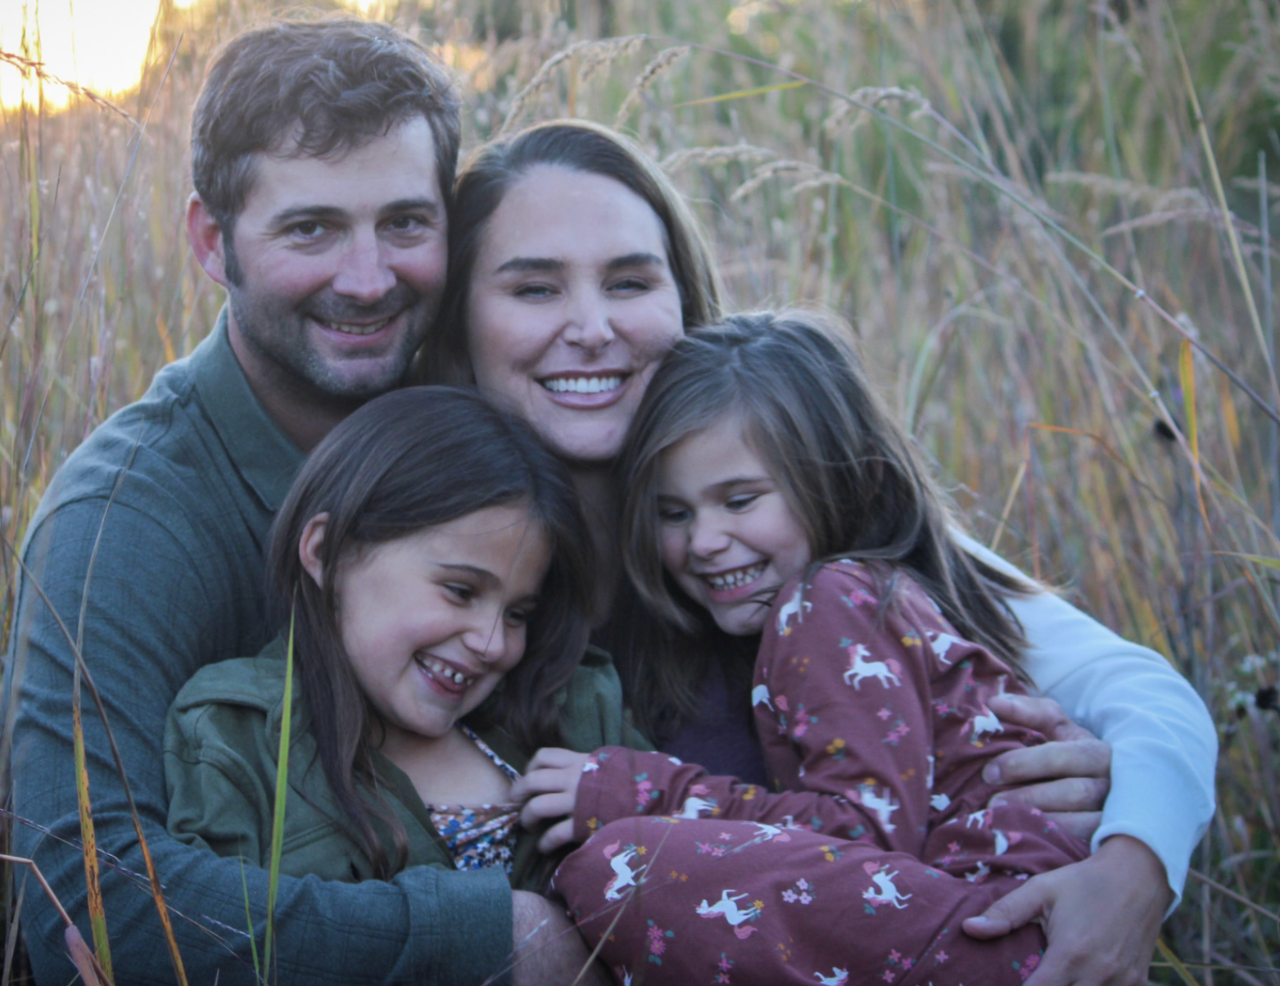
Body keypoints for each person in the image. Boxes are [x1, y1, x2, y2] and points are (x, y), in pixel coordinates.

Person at [432, 119, 1216, 985]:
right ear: (458, 323)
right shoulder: (419, 542)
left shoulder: (825, 536)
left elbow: (1140, 693)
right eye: (534, 289)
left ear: (684, 300)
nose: (590, 326)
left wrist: (1132, 866)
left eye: (629, 282)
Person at [4, 19, 600, 986]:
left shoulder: (486, 433)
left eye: (405, 224)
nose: (368, 281)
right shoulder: (126, 520)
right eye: (310, 228)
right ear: (214, 240)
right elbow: (87, 903)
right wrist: (486, 938)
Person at [525, 310, 1097, 982]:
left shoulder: (828, 599)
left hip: (996, 926)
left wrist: (643, 791)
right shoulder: (864, 598)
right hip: (981, 917)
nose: (703, 541)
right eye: (673, 513)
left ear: (839, 479)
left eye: (740, 501)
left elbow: (863, 835)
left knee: (619, 868)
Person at [167, 385, 631, 890]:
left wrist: (631, 801)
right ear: (326, 552)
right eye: (460, 591)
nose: (493, 645)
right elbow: (217, 926)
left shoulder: (575, 708)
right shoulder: (238, 740)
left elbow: (694, 846)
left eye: (518, 614)